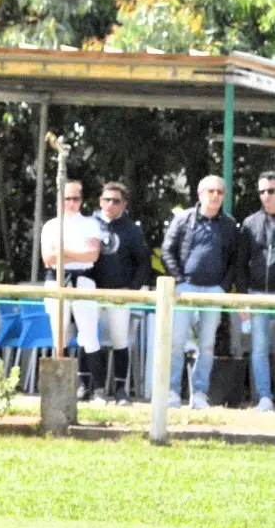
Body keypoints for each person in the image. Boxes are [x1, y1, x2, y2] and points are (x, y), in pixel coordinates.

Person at [160, 175, 239, 409]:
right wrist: (180, 280)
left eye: (219, 192)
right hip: (184, 289)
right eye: (210, 191)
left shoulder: (229, 224)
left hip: (214, 291)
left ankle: (200, 393)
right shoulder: (183, 219)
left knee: (207, 344)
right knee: (176, 342)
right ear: (200, 193)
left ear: (224, 196)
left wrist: (223, 287)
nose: (214, 195)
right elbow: (167, 251)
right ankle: (172, 392)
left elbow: (234, 261)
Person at [40, 179, 104, 400]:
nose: (71, 203)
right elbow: (48, 259)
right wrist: (77, 252)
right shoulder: (50, 226)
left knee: (89, 336)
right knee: (59, 336)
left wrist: (63, 250)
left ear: (82, 200)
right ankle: (62, 390)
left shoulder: (90, 224)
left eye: (75, 198)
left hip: (83, 280)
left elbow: (92, 255)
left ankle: (96, 389)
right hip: (56, 281)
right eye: (67, 198)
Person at [88, 181, 150, 404]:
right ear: (99, 201)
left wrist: (132, 289)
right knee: (88, 338)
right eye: (106, 199)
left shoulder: (132, 230)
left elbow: (144, 263)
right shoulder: (89, 224)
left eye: (116, 201)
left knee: (120, 340)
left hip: (119, 293)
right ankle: (92, 388)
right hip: (91, 292)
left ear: (124, 204)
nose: (110, 204)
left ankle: (121, 390)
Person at [238, 170, 275, 412]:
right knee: (259, 348)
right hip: (257, 295)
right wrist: (243, 298)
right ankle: (264, 397)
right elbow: (240, 264)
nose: (265, 196)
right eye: (261, 191)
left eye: (270, 190)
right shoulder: (250, 224)